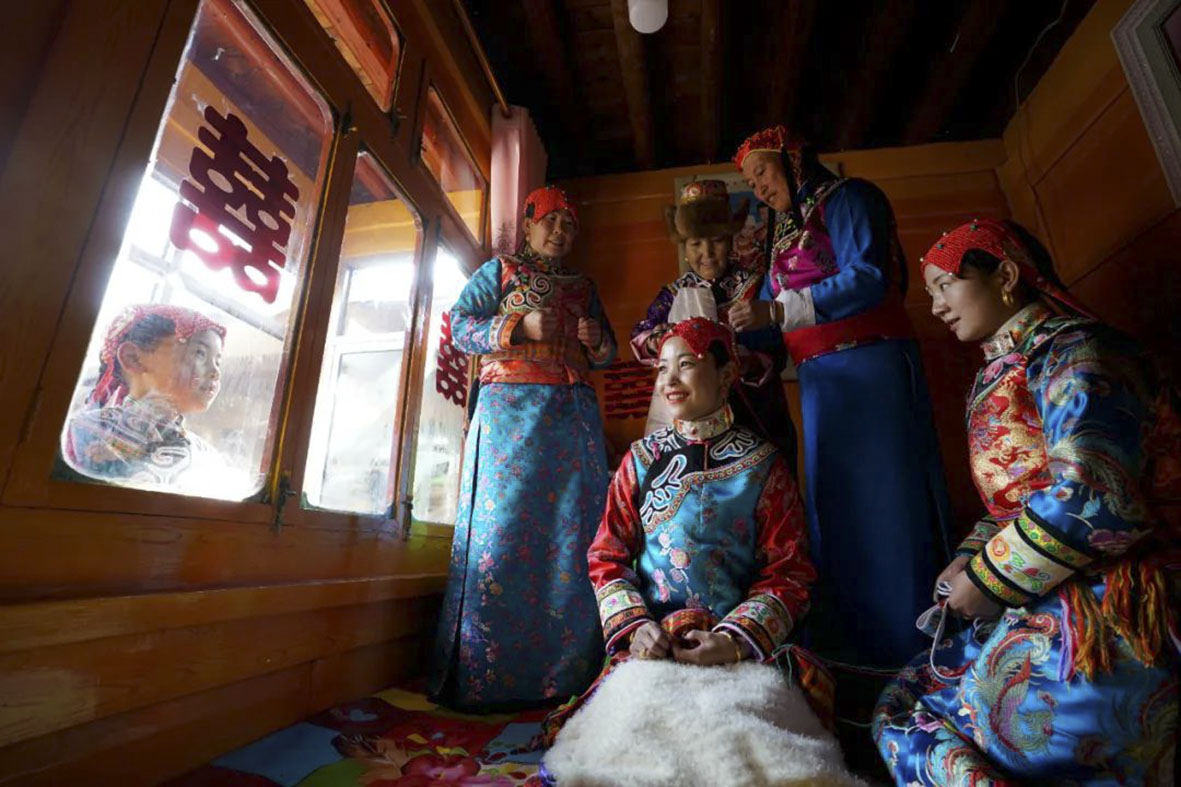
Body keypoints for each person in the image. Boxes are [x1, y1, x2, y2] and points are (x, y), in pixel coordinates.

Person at [872, 218, 1180, 784]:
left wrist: (988, 579)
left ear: (1007, 276)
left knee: (911, 715)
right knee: (909, 691)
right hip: (1054, 580)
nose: (936, 306)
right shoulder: (1005, 368)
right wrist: (969, 557)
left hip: (1118, 596)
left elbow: (1095, 496)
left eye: (946, 285)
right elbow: (1015, 503)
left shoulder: (1078, 351)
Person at [539, 317, 826, 746]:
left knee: (740, 742)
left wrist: (733, 642)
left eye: (686, 364)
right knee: (628, 743)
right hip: (654, 650)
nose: (669, 380)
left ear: (726, 374)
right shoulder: (638, 462)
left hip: (739, 652)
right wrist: (636, 628)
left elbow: (790, 572)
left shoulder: (763, 466)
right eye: (661, 368)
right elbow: (607, 557)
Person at [728, 125, 952, 669]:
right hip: (821, 382)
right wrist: (734, 340)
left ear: (792, 159)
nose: (759, 188)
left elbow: (869, 275)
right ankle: (856, 647)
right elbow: (765, 319)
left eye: (762, 173)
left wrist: (776, 311)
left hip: (869, 363)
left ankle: (911, 644)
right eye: (751, 183)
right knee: (835, 502)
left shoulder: (848, 198)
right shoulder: (782, 239)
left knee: (887, 500)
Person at [429, 185, 617, 709]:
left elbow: (607, 352)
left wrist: (597, 340)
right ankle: (488, 677)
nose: (560, 232)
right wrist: (518, 326)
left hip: (572, 419)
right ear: (529, 225)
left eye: (569, 225)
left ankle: (568, 676)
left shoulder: (584, 286)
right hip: (508, 420)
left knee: (572, 536)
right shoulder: (500, 271)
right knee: (502, 532)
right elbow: (459, 326)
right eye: (551, 221)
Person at [631, 179, 797, 466]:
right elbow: (641, 335)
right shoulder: (674, 294)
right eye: (696, 243)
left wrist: (747, 359)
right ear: (684, 247)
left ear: (731, 241)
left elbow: (777, 347)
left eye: (717, 241)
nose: (706, 253)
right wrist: (659, 340)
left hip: (754, 413)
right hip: (692, 421)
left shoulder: (755, 287)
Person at [63, 304, 226, 492]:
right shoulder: (84, 430)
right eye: (200, 353)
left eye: (218, 361)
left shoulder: (207, 456)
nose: (216, 372)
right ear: (133, 358)